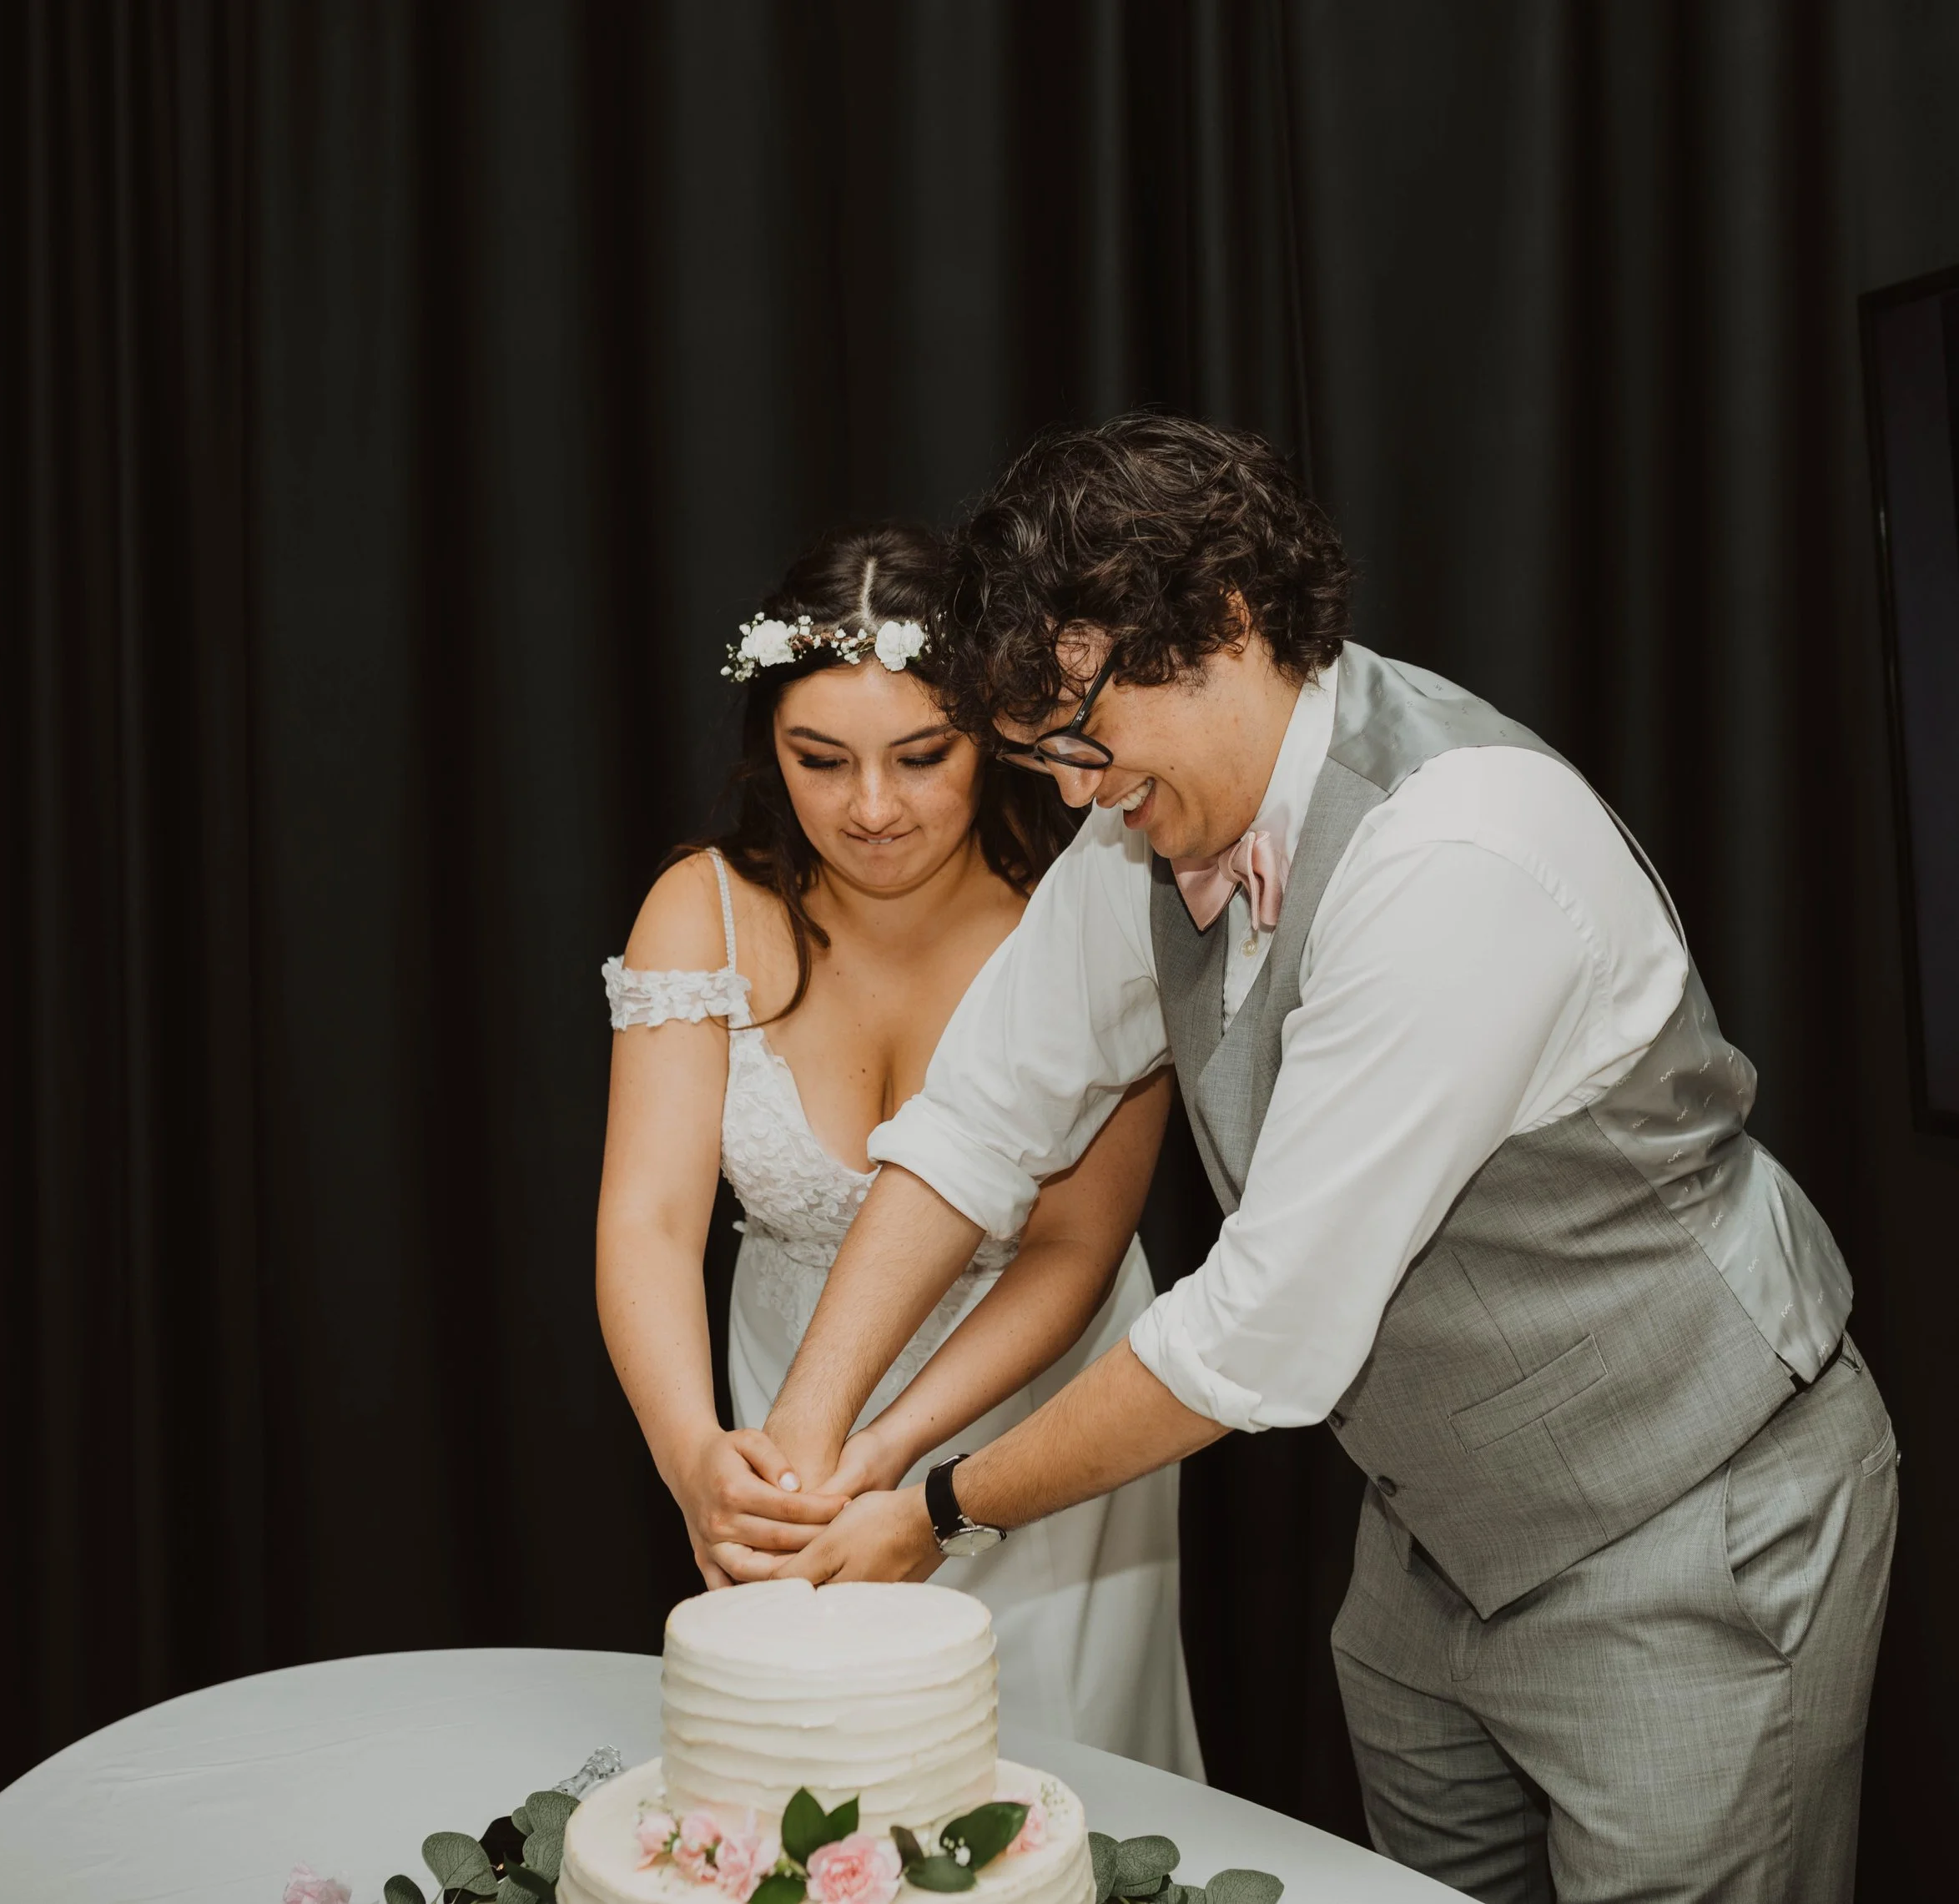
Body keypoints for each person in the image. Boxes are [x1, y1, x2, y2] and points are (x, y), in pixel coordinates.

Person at [751, 420, 1896, 1904]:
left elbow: (1258, 1337)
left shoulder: (1454, 854)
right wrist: (806, 1445)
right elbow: (980, 1120)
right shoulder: (1139, 833)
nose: (1078, 789)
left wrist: (934, 1508)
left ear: (1223, 625)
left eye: (1084, 733)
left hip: (1692, 1531)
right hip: (1430, 1543)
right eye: (1039, 750)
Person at [595, 521, 1204, 1777]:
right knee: (812, 1779)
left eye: (922, 756)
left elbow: (1077, 1244)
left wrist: (915, 1470)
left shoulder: (1084, 904)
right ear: (770, 743)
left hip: (1038, 1410)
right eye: (821, 760)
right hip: (788, 1412)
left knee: (1052, 1780)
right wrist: (697, 1454)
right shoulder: (698, 907)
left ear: (994, 731)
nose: (871, 809)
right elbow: (648, 1220)